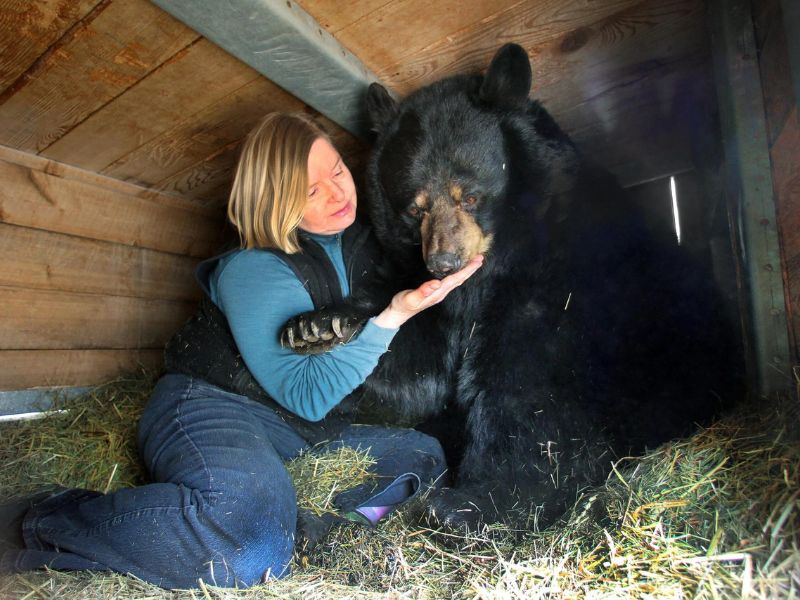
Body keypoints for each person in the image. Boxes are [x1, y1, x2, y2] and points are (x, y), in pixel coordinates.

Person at [0, 112, 482, 590]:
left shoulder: (363, 241)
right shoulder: (251, 268)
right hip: (214, 410)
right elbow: (308, 393)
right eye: (311, 190)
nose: (338, 193)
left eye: (337, 170)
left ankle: (326, 530)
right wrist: (392, 317)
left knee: (423, 456)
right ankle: (39, 519)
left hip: (299, 436)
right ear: (277, 201)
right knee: (248, 548)